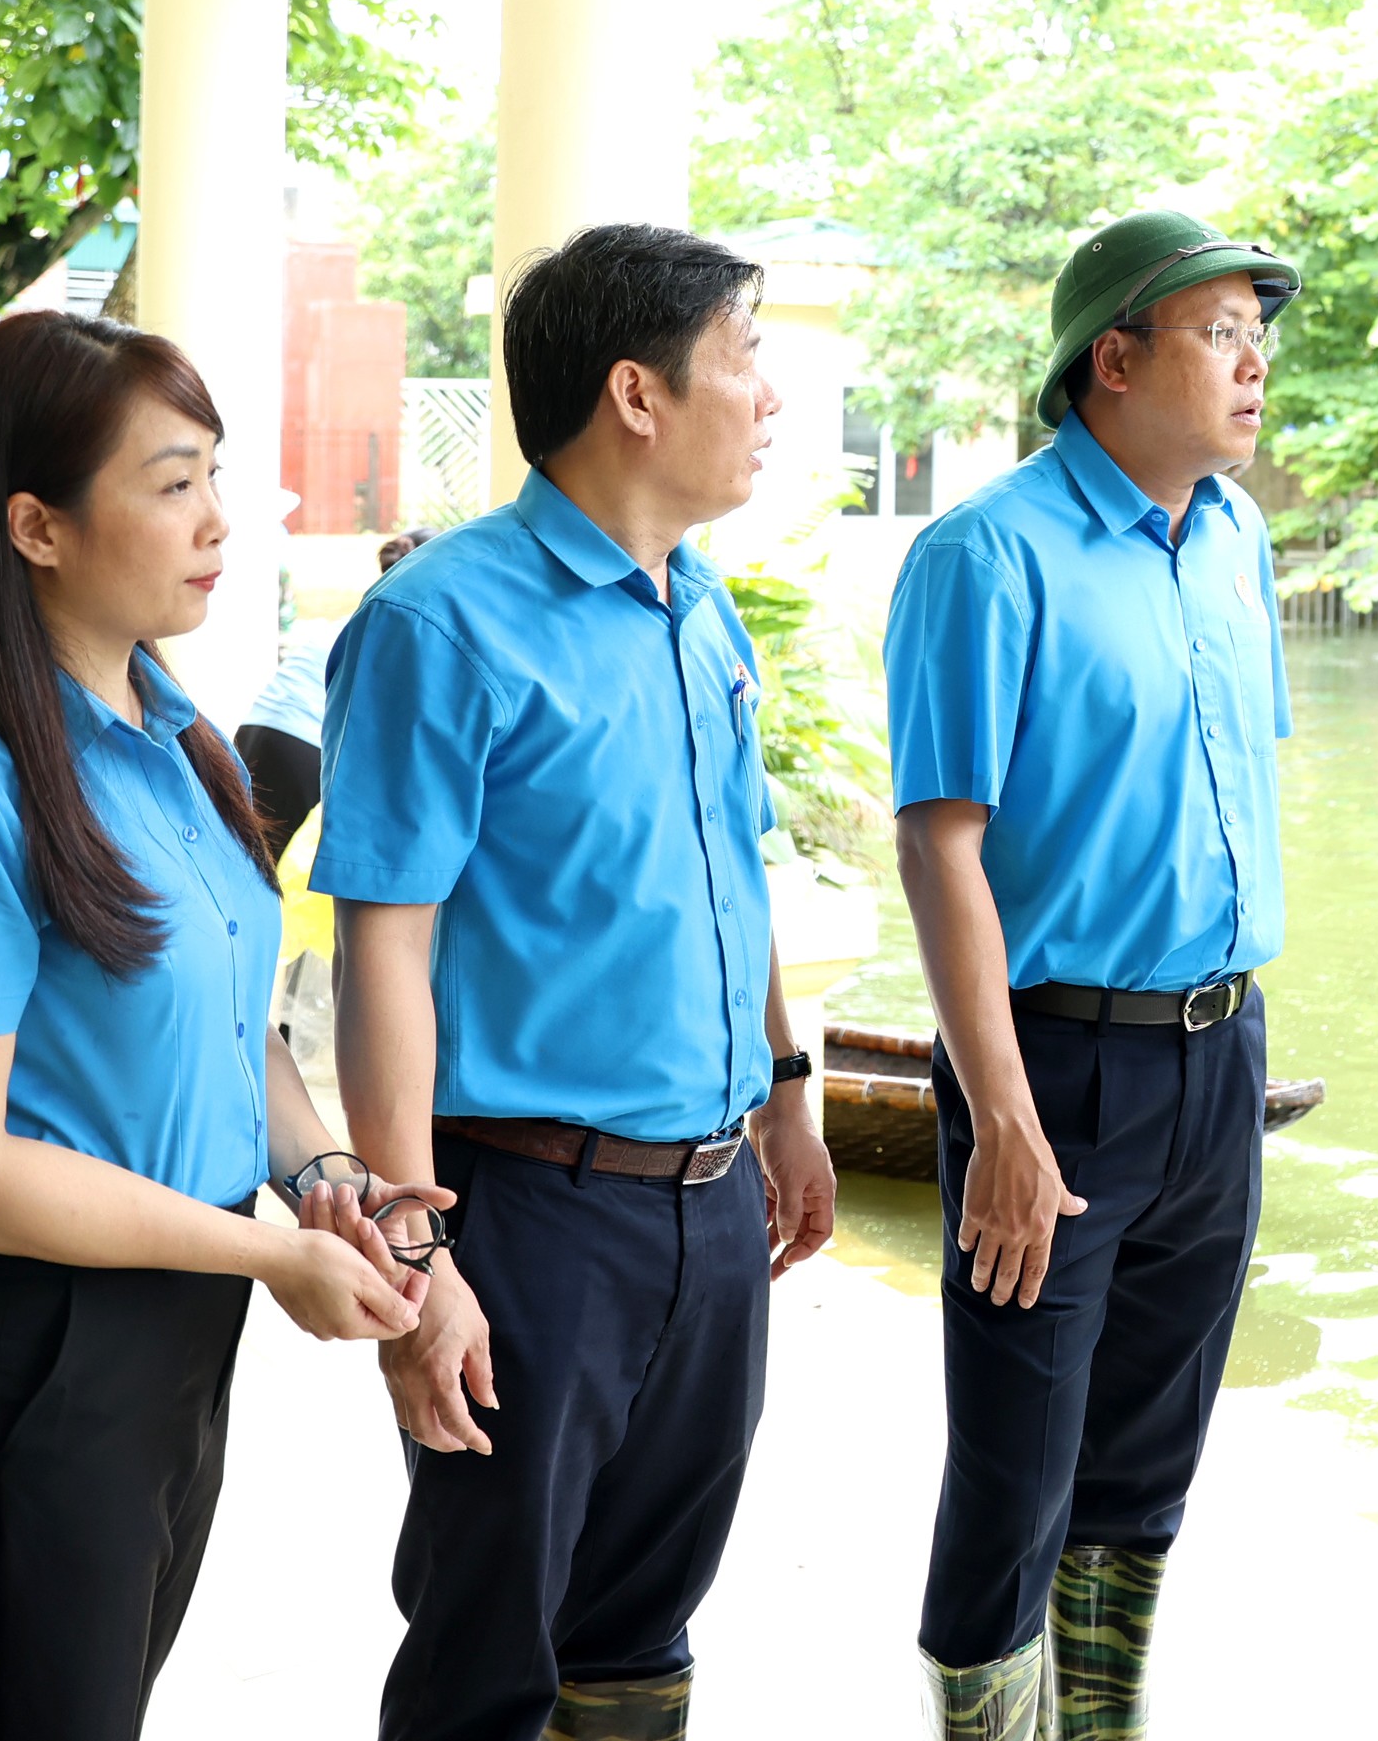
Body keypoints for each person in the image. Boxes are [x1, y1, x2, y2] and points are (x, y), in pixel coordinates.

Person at [0, 311, 435, 1741]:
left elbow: (236, 1030)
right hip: (29, 1357)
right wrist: (270, 1248)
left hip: (171, 1334)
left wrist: (324, 1180)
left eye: (216, 474)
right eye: (172, 483)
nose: (219, 521)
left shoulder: (174, 737)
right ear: (34, 524)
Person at [318, 224, 835, 1741]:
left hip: (711, 1202)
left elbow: (733, 877)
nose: (771, 398)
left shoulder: (701, 607)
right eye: (746, 358)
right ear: (637, 394)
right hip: (529, 1215)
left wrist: (788, 1097)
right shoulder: (442, 623)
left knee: (643, 1632)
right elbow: (383, 954)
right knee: (491, 1642)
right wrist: (417, 1254)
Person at [884, 209, 1298, 1738]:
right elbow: (943, 850)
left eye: (1264, 333)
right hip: (1053, 1069)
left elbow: (1224, 803)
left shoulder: (1238, 540)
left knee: (1143, 1469)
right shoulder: (985, 556)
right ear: (1112, 361)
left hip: (1220, 1052)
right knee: (1014, 1471)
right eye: (1220, 333)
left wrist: (1236, 1047)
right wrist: (999, 1116)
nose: (1256, 363)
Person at [239, 528, 423, 862]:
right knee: (256, 863)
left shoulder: (361, 614)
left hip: (256, 725)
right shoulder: (398, 630)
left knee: (241, 849)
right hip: (302, 739)